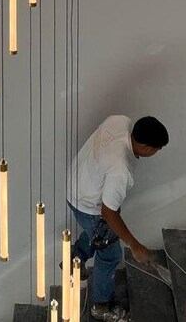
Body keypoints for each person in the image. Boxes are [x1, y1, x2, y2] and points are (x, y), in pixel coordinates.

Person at [66, 115, 169, 322]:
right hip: (88, 204)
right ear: (147, 148)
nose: (155, 153)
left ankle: (73, 259)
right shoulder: (120, 170)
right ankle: (101, 306)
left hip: (75, 183)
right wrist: (134, 244)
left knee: (96, 233)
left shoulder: (119, 121)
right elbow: (108, 213)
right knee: (109, 254)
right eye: (157, 150)